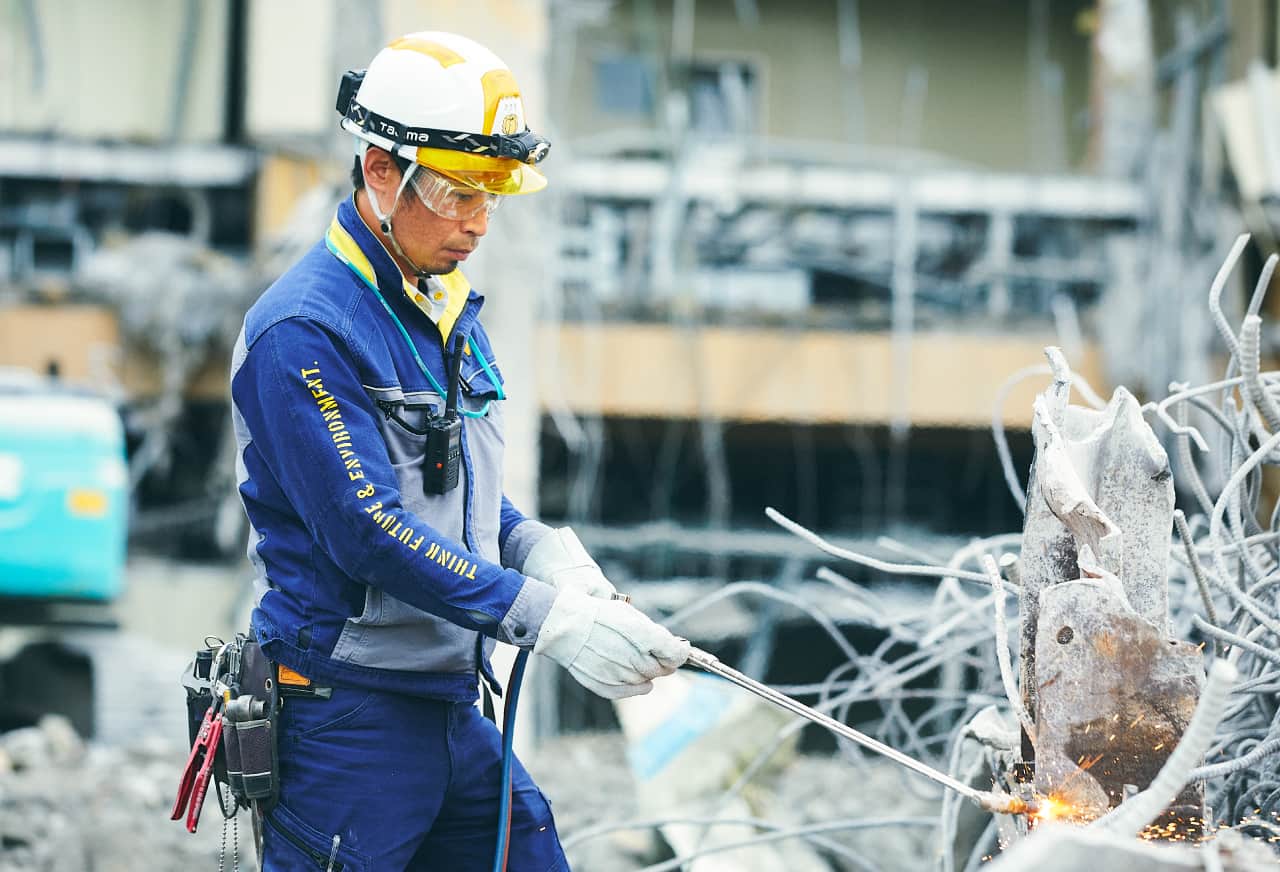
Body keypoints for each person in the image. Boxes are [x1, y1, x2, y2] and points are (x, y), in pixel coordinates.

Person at [230, 31, 689, 870]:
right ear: (379, 170)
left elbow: (454, 492)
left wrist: (544, 554)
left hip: (446, 700)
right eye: (454, 192)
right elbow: (367, 529)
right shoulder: (305, 332)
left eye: (493, 194)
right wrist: (542, 619)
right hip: (347, 716)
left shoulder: (440, 310)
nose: (477, 222)